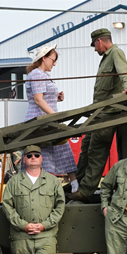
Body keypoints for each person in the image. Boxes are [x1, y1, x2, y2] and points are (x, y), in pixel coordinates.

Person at [2, 144, 66, 254]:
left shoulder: (52, 181)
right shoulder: (14, 182)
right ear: (24, 159)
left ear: (41, 158)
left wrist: (44, 225)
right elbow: (7, 206)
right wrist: (23, 225)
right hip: (21, 235)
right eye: (29, 155)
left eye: (36, 155)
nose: (33, 158)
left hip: (45, 234)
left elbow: (60, 206)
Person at [70, 28, 127, 202]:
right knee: (85, 147)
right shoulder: (106, 58)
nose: (94, 49)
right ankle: (77, 184)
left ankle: (86, 190)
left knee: (96, 151)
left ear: (99, 42)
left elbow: (125, 71)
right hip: (98, 113)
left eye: (94, 46)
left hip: (108, 113)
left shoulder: (116, 53)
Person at [23, 43, 78, 190]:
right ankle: (70, 184)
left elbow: (44, 97)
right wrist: (55, 116)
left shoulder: (42, 76)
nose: (54, 63)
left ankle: (73, 184)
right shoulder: (36, 74)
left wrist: (56, 97)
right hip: (40, 119)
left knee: (61, 148)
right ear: (44, 58)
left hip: (47, 119)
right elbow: (38, 99)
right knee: (46, 152)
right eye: (53, 60)